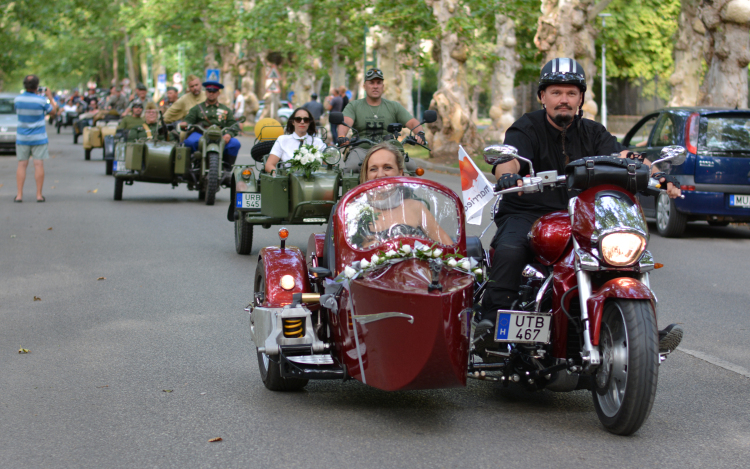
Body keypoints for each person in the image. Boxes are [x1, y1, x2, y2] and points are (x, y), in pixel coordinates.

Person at [477, 57, 682, 345]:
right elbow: (509, 158)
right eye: (556, 92)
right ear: (542, 97)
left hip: (581, 216)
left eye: (571, 93)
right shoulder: (526, 127)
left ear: (580, 98)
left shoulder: (593, 132)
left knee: (622, 255)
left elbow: (625, 157)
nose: (564, 99)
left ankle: (641, 329)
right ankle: (492, 322)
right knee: (510, 250)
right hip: (529, 213)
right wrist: (508, 176)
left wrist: (660, 176)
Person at [351, 142, 453, 247]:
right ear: (367, 175)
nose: (380, 174)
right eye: (373, 169)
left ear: (400, 173)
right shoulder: (356, 212)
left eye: (387, 167)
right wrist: (363, 248)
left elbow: (450, 248)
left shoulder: (416, 207)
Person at [337, 68, 425, 170]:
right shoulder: (354, 106)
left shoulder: (393, 106)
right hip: (362, 150)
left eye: (379, 83)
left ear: (383, 86)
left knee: (412, 168)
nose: (375, 86)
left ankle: (403, 186)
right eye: (371, 83)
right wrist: (342, 136)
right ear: (364, 86)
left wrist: (420, 133)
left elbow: (413, 122)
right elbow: (345, 122)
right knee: (351, 168)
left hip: (390, 149)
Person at [14, 75, 57, 203]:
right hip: (39, 137)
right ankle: (39, 195)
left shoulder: (17, 100)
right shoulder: (41, 101)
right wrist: (49, 96)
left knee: (22, 164)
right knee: (38, 164)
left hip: (22, 137)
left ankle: (19, 195)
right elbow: (54, 112)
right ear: (37, 86)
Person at [180, 81, 240, 171]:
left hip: (221, 135)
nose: (211, 94)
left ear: (218, 93)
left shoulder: (225, 109)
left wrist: (229, 134)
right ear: (206, 92)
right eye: (209, 91)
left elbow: (233, 125)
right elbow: (189, 120)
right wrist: (185, 124)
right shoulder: (197, 108)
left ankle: (227, 168)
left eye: (214, 92)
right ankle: (192, 165)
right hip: (201, 134)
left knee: (235, 144)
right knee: (189, 142)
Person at [265, 108, 325, 174]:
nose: (302, 122)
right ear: (293, 122)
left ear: (309, 122)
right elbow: (269, 165)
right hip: (287, 179)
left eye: (306, 120)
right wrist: (279, 175)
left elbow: (330, 165)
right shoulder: (282, 140)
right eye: (298, 119)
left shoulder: (318, 142)